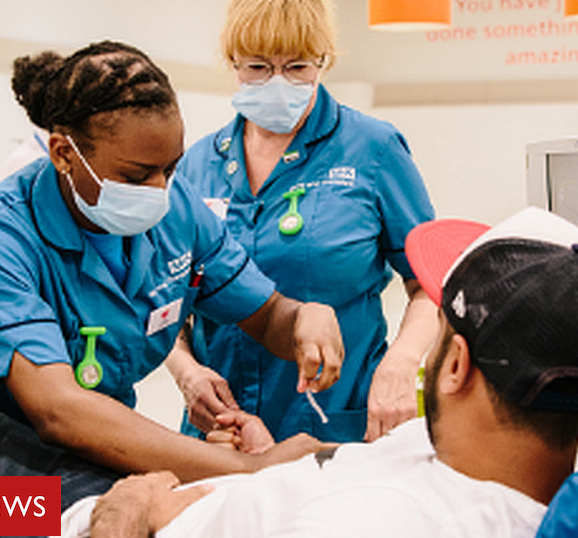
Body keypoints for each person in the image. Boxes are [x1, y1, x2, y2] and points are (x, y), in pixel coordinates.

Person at [0, 208, 578, 538]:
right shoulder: (486, 458)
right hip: (99, 513)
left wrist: (124, 516)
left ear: (455, 369)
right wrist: (273, 470)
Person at [0, 40, 343, 479]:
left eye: (170, 169)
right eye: (135, 176)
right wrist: (246, 468)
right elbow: (57, 409)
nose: (159, 191)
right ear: (63, 154)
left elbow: (265, 317)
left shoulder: (178, 212)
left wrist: (304, 318)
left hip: (101, 454)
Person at [166, 0, 438, 444]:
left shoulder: (373, 150)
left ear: (322, 61)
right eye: (257, 67)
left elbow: (429, 284)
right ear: (232, 62)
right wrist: (186, 372)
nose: (277, 81)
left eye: (296, 67)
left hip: (333, 422)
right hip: (220, 432)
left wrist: (402, 362)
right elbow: (164, 296)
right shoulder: (197, 165)